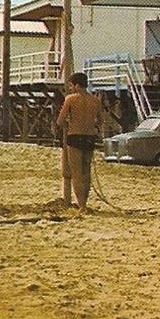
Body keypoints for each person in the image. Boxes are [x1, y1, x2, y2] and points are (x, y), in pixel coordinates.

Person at [55, 72, 101, 214]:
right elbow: (100, 121)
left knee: (76, 173)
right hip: (89, 137)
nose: (70, 88)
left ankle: (82, 206)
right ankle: (85, 202)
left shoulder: (71, 99)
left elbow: (60, 121)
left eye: (71, 85)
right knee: (86, 172)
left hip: (75, 136)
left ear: (77, 85)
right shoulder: (95, 100)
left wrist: (70, 122)